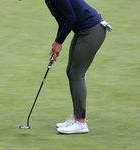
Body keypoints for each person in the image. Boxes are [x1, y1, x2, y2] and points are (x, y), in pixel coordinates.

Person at [45, 0, 112, 134]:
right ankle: (77, 117)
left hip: (92, 30)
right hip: (83, 30)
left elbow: (71, 18)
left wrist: (58, 42)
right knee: (71, 72)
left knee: (76, 74)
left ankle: (81, 123)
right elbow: (63, 21)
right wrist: (57, 42)